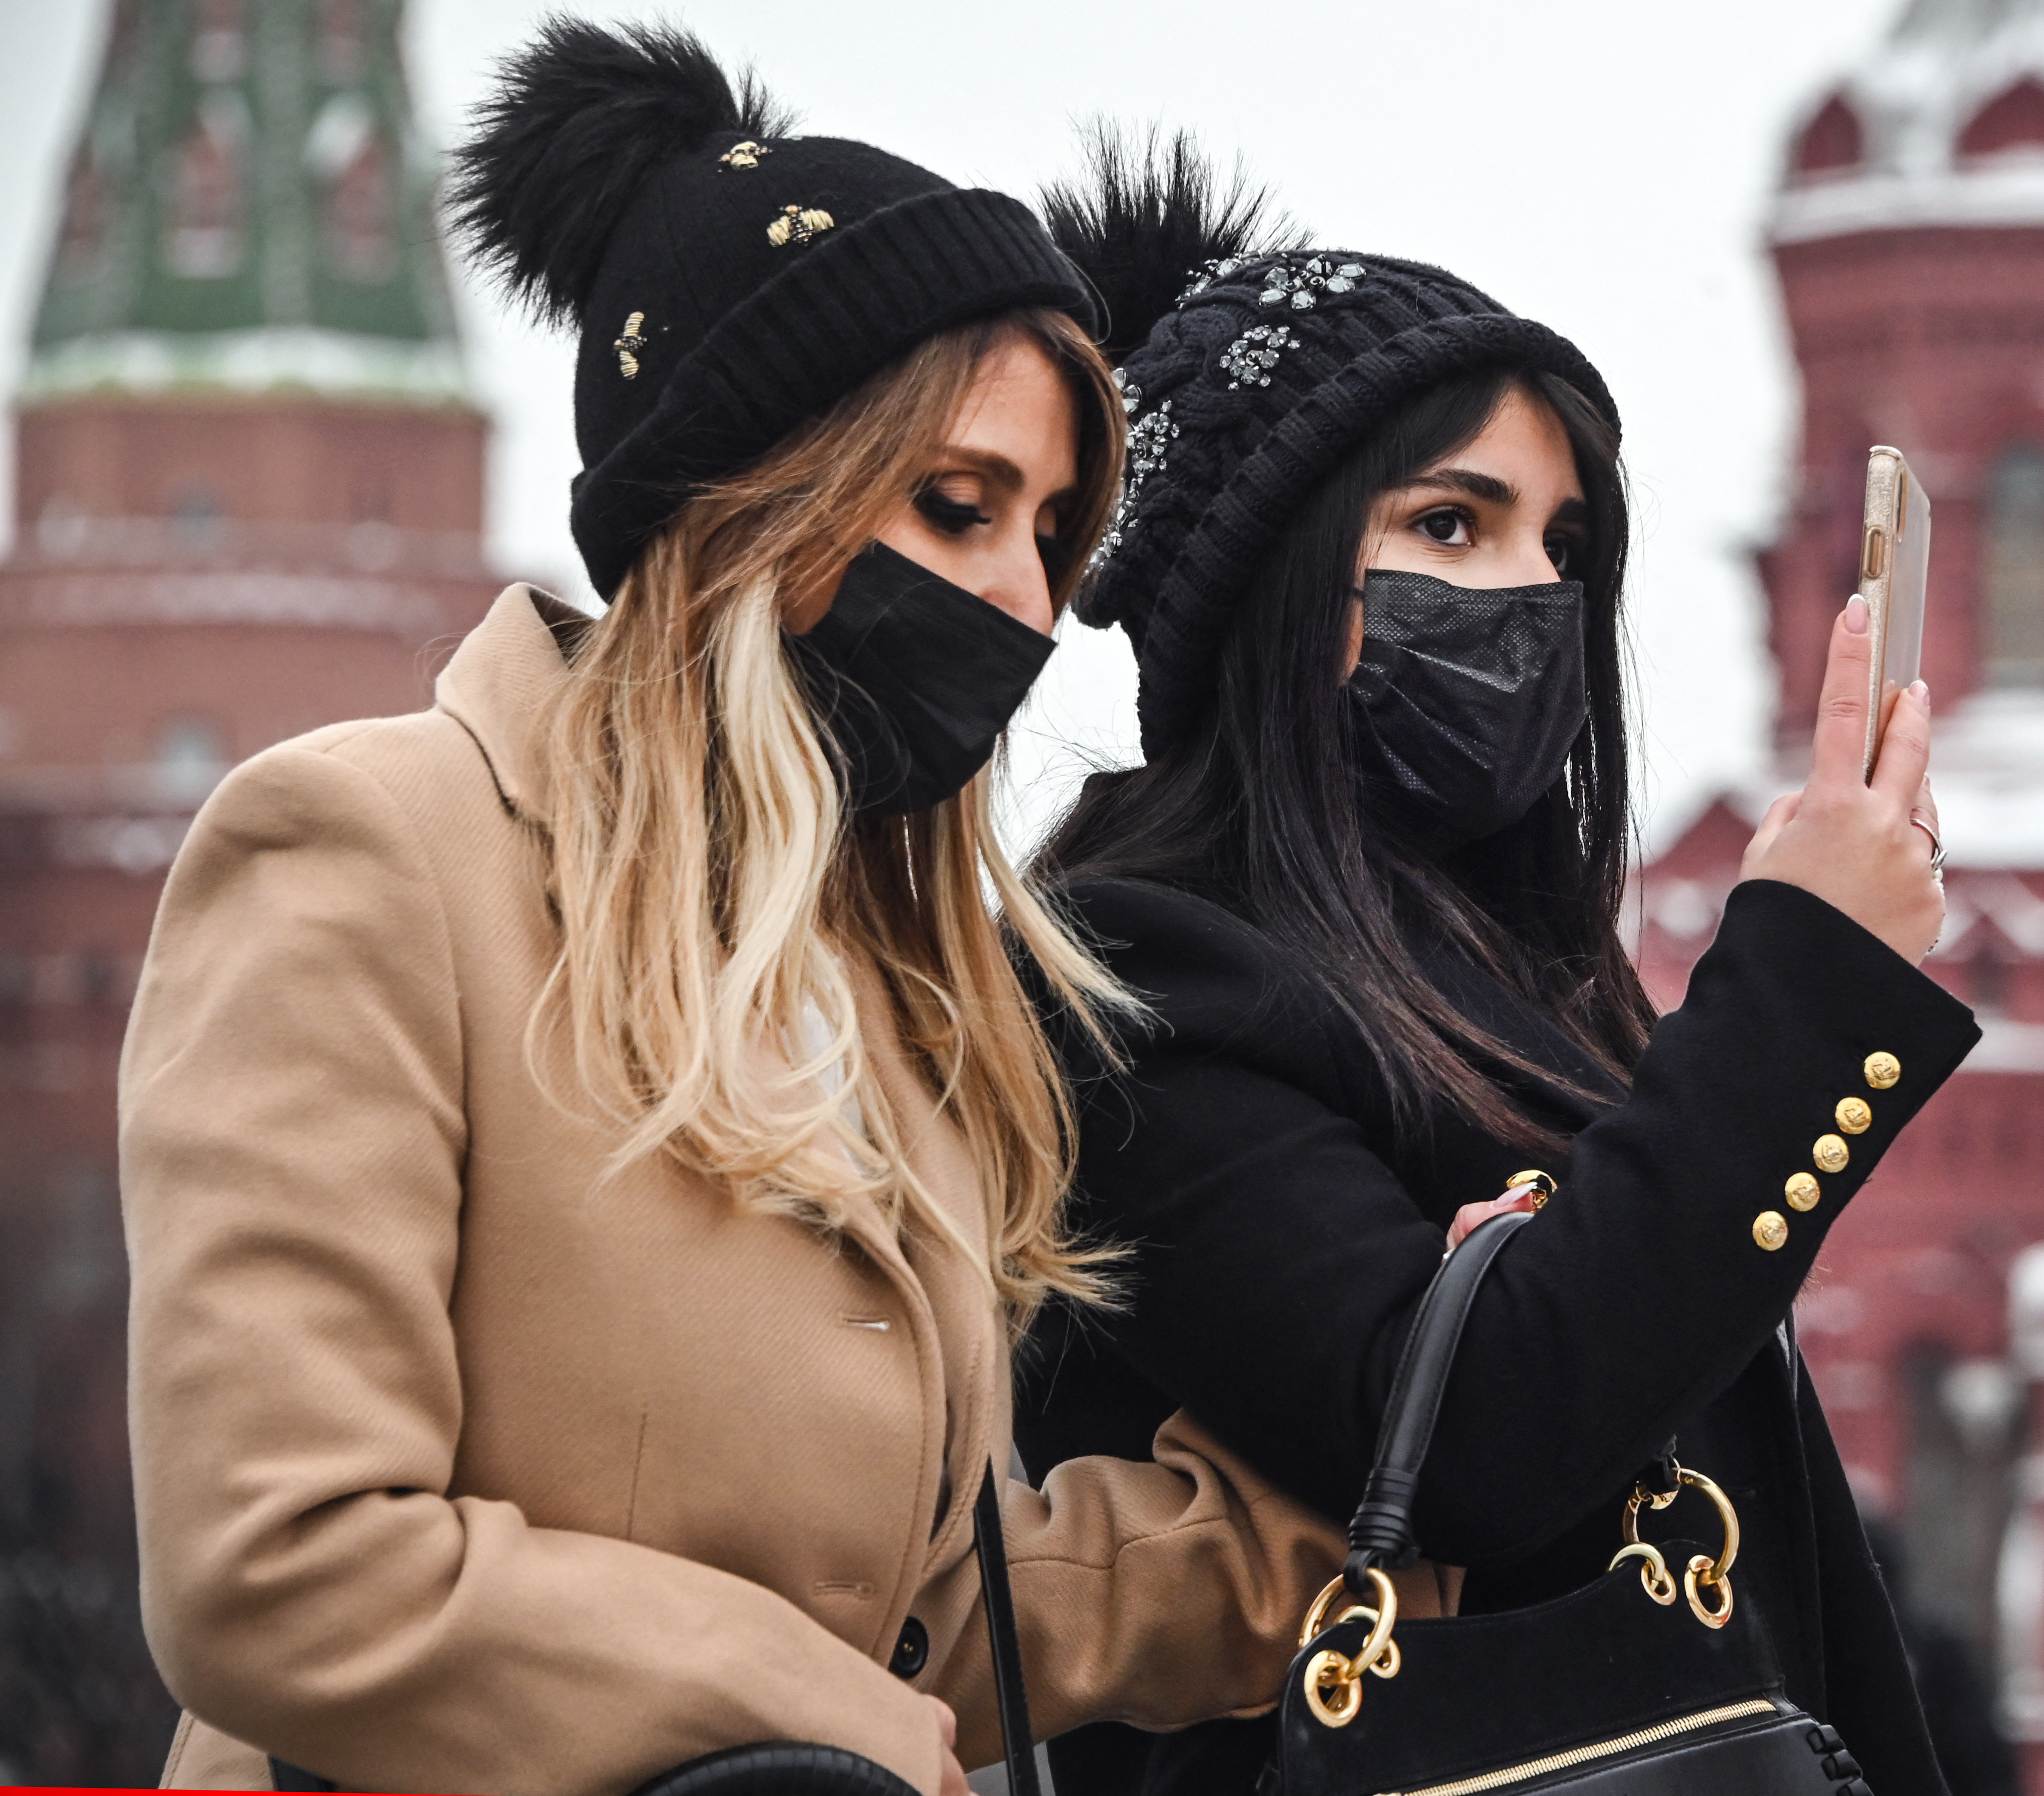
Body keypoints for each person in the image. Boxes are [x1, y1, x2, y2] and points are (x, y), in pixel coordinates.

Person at [116, 38, 1440, 1796]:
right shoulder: (370, 850)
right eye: (955, 505)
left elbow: (908, 1624)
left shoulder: (884, 985)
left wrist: (1380, 1530)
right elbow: (277, 1567)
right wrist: (786, 1689)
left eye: (1057, 536)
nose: (1021, 599)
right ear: (755, 494)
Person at [1013, 143, 1983, 1796]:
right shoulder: (1143, 967)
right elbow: (1471, 1442)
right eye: (1452, 523)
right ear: (1268, 588)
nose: (1534, 589)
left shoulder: (1504, 969)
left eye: (1564, 540)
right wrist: (1806, 977)